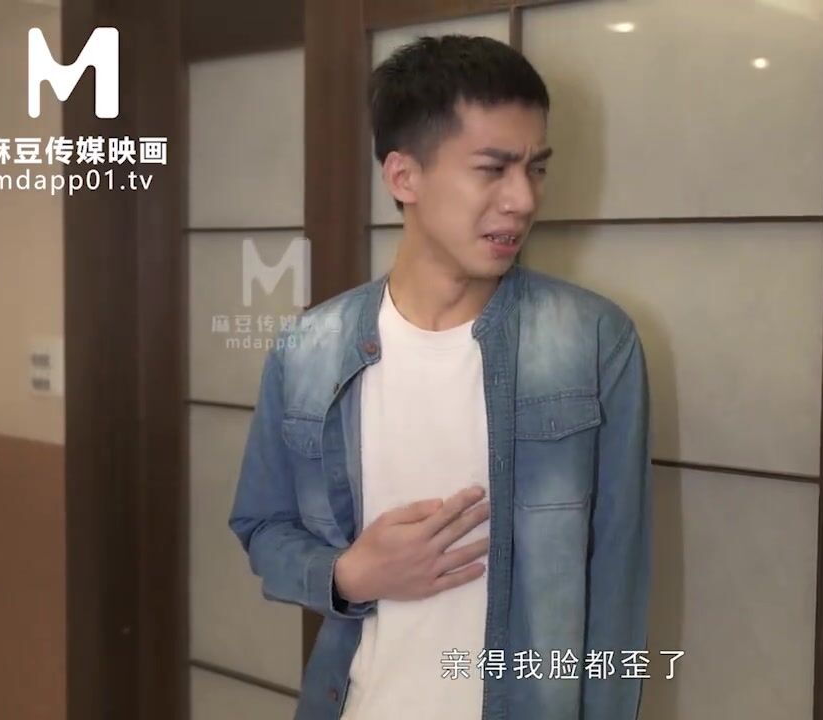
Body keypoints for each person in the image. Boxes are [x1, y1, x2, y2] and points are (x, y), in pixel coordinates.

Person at [228, 35, 652, 720]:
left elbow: (618, 586)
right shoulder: (309, 349)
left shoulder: (594, 342)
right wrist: (348, 574)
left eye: (536, 169)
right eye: (492, 169)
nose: (523, 199)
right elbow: (261, 524)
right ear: (404, 177)